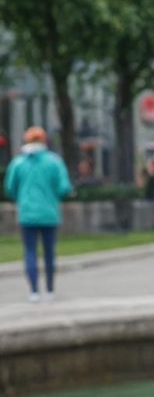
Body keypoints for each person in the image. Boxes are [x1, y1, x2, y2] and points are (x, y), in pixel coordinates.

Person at [4, 125, 74, 302]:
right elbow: (64, 187)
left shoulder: (18, 162)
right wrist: (54, 196)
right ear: (44, 140)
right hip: (49, 213)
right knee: (49, 252)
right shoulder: (54, 161)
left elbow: (10, 187)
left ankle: (34, 291)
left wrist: (21, 198)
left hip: (27, 213)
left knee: (30, 251)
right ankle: (50, 290)